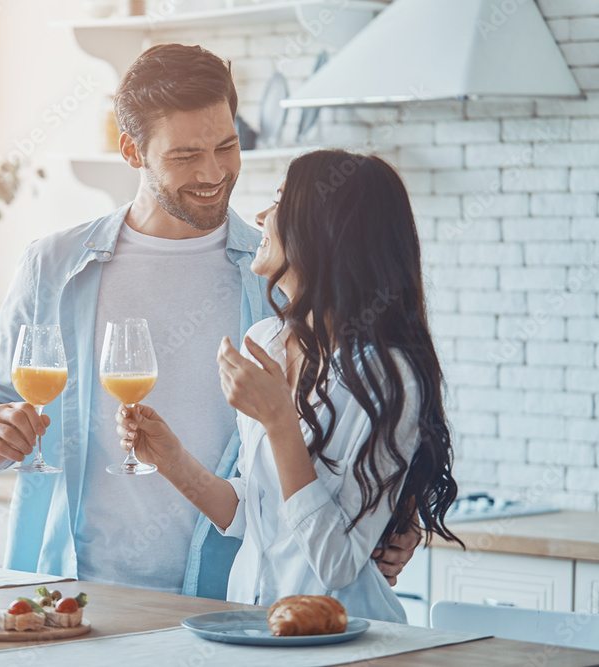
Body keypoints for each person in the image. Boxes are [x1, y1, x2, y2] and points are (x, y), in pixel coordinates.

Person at [0, 44, 418, 599]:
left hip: (228, 599)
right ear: (132, 151)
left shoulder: (276, 276)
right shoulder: (55, 266)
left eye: (227, 146)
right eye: (185, 155)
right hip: (73, 592)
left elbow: (361, 412)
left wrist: (394, 515)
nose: (213, 173)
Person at [114, 149, 462, 620]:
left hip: (341, 637)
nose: (260, 216)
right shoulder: (266, 342)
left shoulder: (385, 375)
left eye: (280, 200)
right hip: (252, 624)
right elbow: (252, 516)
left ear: (327, 230)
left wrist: (280, 422)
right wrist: (171, 459)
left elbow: (336, 563)